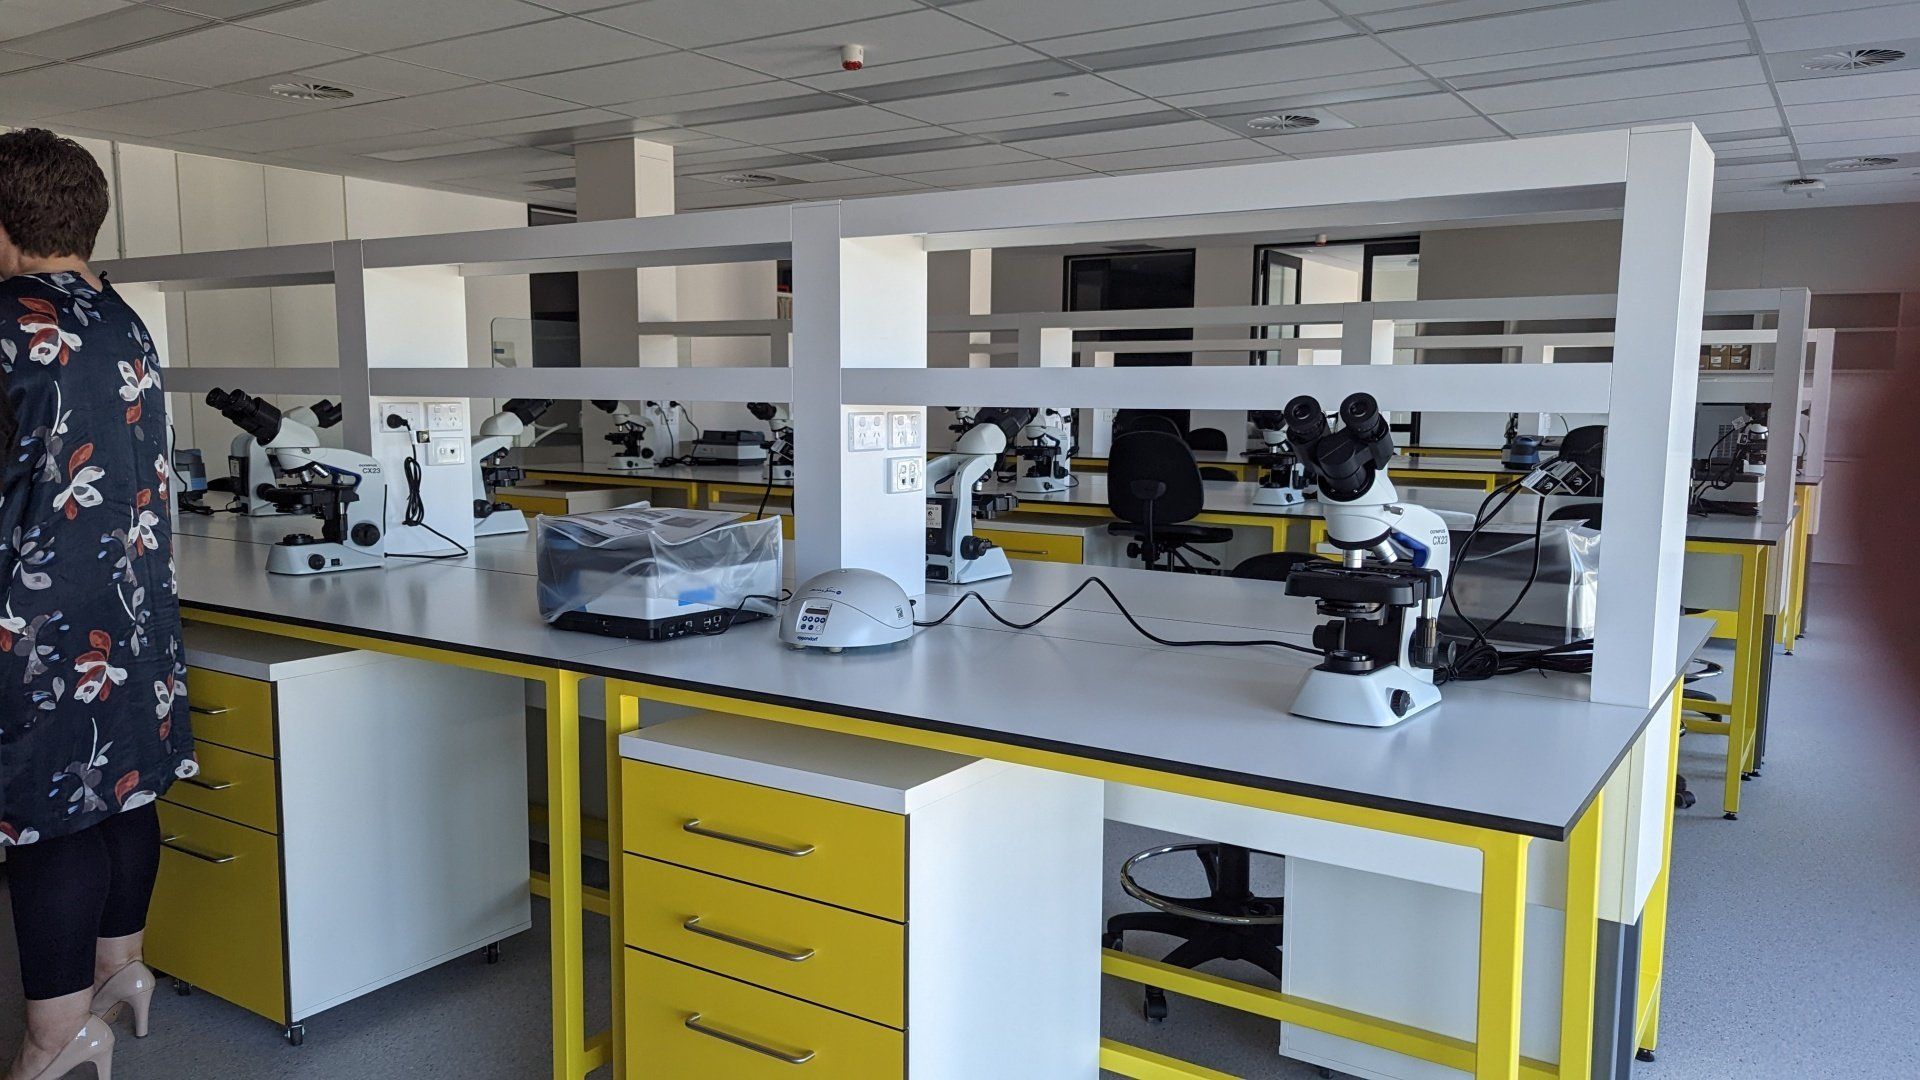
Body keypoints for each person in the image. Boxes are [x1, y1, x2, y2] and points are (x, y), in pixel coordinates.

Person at [0, 129, 196, 1080]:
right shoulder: (125, 319)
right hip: (132, 611)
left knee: (46, 821)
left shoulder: (7, 321)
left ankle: (55, 1036)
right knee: (122, 791)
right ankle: (121, 974)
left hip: (37, 622)